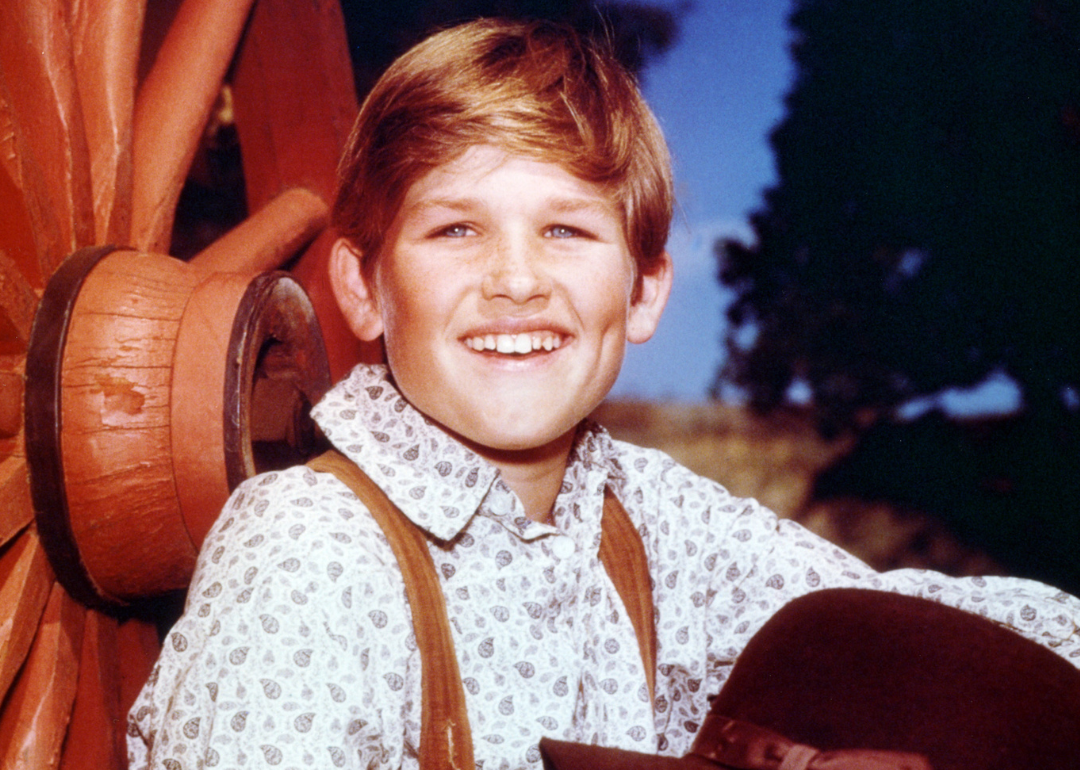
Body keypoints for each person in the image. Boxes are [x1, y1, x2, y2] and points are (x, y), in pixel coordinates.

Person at [127, 18, 1080, 770]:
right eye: (457, 229)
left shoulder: (649, 520)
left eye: (567, 233)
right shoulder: (307, 549)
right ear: (364, 288)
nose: (516, 281)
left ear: (645, 292)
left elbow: (899, 618)